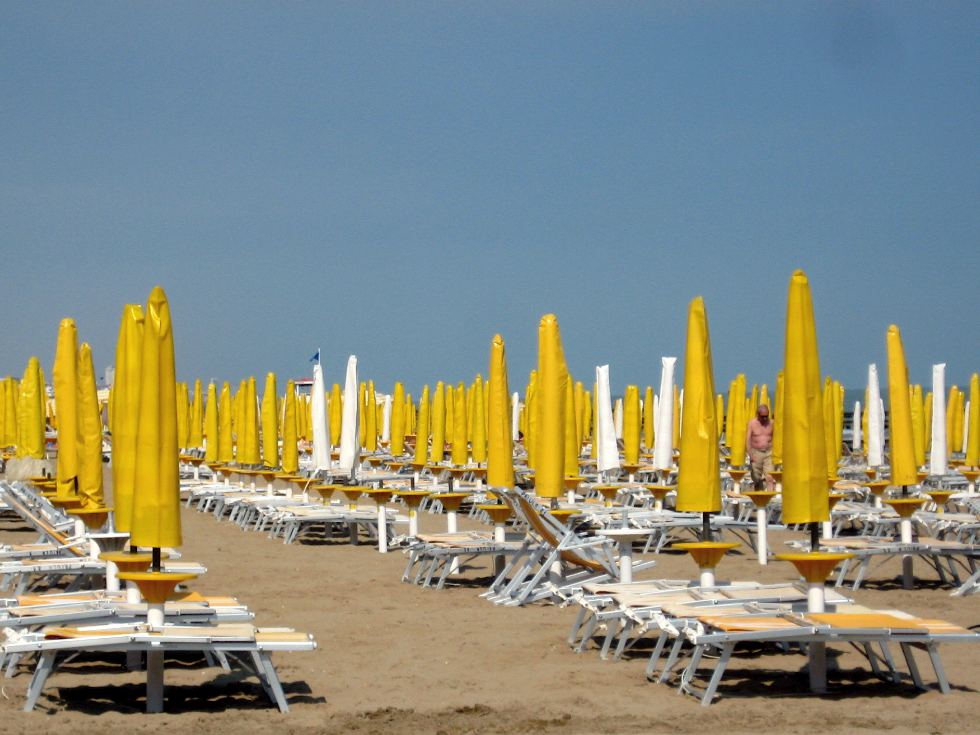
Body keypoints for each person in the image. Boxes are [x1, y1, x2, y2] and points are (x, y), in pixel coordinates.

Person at [746, 404, 775, 490]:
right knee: (757, 479)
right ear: (758, 414)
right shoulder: (752, 423)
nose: (765, 418)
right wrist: (750, 455)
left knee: (770, 477)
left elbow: (776, 438)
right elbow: (747, 440)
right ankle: (759, 495)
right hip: (756, 453)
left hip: (769, 453)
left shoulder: (772, 423)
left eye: (766, 416)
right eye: (762, 416)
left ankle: (770, 495)